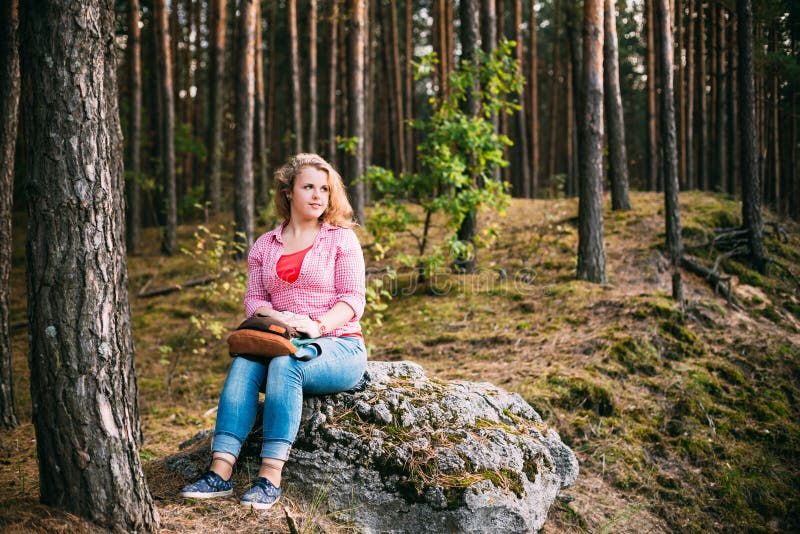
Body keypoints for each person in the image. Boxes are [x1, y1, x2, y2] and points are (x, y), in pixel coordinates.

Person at [179, 153, 367, 510]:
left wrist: (317, 325)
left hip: (339, 345)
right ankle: (220, 473)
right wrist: (279, 315)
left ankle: (269, 476)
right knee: (244, 364)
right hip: (280, 337)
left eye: (324, 189)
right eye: (308, 186)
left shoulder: (341, 239)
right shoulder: (265, 245)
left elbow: (353, 299)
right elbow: (254, 302)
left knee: (286, 364)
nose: (317, 195)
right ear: (288, 192)